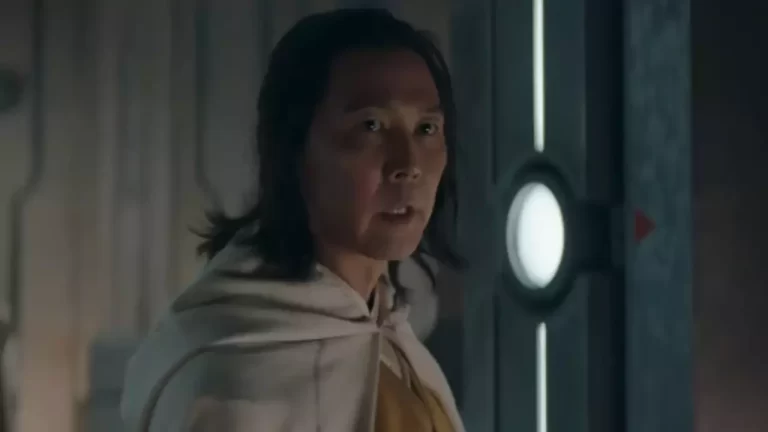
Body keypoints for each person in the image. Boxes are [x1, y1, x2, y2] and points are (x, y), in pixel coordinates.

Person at [121, 8, 465, 432]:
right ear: (295, 149)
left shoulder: (396, 345)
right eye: (371, 126)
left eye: (427, 129)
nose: (408, 165)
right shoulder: (231, 384)